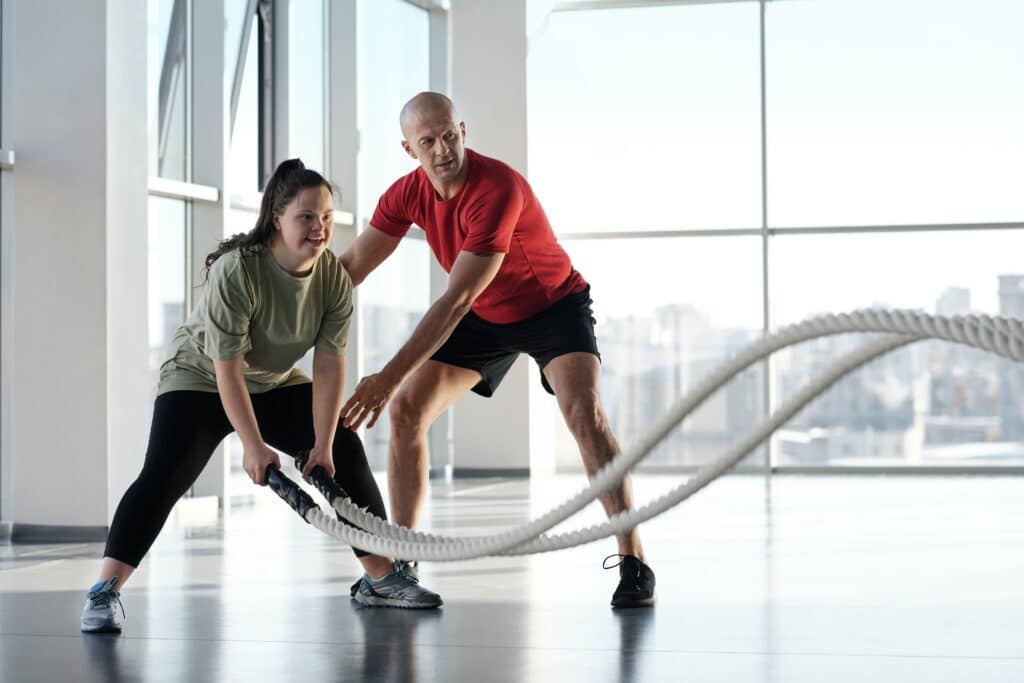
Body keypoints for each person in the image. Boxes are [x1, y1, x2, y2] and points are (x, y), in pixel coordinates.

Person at [81, 160, 441, 635]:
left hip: (271, 380)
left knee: (347, 448)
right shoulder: (238, 271)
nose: (320, 228)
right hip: (201, 377)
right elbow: (226, 368)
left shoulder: (332, 278)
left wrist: (324, 443)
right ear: (277, 217)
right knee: (165, 475)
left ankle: (380, 579)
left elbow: (329, 365)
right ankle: (104, 592)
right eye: (307, 217)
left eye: (328, 217)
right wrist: (253, 445)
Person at [338, 92, 655, 607]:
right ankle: (400, 566)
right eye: (427, 142)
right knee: (408, 412)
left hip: (552, 306)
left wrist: (386, 375)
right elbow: (349, 269)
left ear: (462, 129)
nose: (442, 149)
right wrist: (281, 304)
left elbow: (457, 298)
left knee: (584, 414)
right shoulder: (405, 194)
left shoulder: (497, 188)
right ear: (408, 149)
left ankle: (634, 560)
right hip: (487, 315)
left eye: (448, 135)